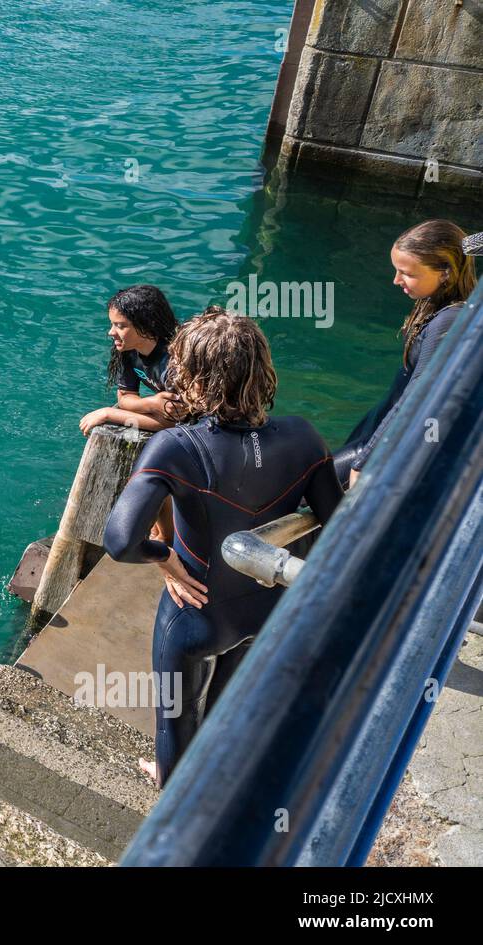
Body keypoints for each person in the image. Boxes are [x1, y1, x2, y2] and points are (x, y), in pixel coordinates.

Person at [102, 307, 343, 787]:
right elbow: (339, 526)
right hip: (271, 605)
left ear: (191, 376)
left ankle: (171, 795)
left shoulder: (178, 447)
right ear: (261, 367)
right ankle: (213, 780)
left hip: (197, 615)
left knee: (176, 718)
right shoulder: (302, 436)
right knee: (224, 709)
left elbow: (120, 540)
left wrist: (166, 559)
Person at [333, 221, 479, 486]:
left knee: (308, 486)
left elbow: (417, 395)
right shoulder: (438, 302)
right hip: (375, 426)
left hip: (382, 443)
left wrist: (364, 462)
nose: (396, 280)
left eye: (406, 273)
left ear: (445, 273)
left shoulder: (447, 322)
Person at [78, 284, 182, 437]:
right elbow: (125, 397)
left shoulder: (176, 361)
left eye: (120, 326)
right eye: (112, 324)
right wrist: (152, 404)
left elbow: (176, 423)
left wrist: (108, 414)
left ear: (146, 325)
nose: (111, 332)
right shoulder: (129, 350)